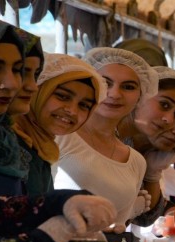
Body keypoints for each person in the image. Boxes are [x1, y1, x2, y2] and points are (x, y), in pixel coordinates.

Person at [0, 15, 117, 242]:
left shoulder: (1, 143)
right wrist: (54, 232)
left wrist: (64, 202)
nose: (13, 84)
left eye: (22, 71)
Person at [55, 48, 159, 230]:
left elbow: (117, 232)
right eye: (105, 82)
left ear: (140, 96)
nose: (114, 94)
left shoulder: (135, 162)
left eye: (128, 87)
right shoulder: (61, 136)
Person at [13, 53, 106, 195]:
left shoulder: (40, 147)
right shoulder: (6, 144)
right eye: (62, 96)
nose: (72, 111)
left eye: (84, 105)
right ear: (38, 91)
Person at [118, 66, 175, 225]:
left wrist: (152, 173)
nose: (170, 121)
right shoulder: (107, 140)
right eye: (165, 105)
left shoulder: (138, 155)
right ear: (140, 94)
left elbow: (145, 218)